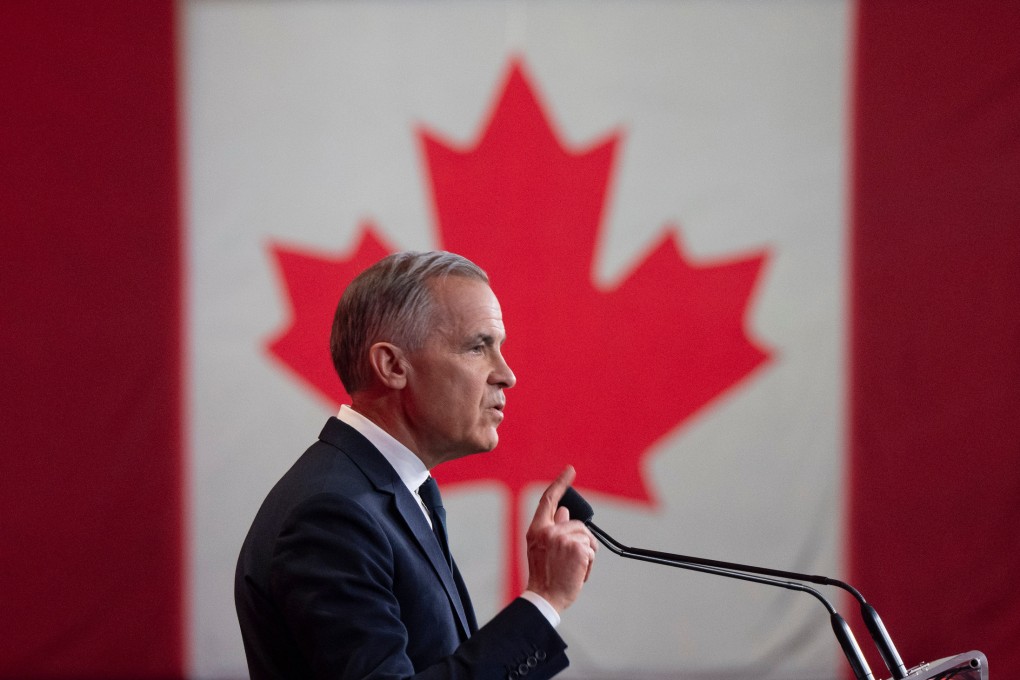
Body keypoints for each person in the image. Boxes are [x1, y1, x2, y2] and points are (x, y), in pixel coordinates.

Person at [235, 250, 596, 679]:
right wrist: (544, 599)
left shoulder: (393, 490)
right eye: (478, 347)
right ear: (392, 365)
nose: (506, 374)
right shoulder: (332, 514)